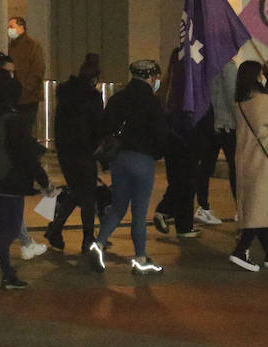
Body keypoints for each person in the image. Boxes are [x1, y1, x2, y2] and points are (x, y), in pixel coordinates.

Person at [0, 69, 51, 290]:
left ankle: (8, 274)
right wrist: (44, 182)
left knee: (3, 230)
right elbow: (26, 155)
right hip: (10, 181)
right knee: (12, 230)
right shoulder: (14, 119)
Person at [88, 59, 168, 276]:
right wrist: (157, 153)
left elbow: (103, 127)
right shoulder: (152, 102)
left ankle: (99, 243)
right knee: (139, 213)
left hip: (119, 159)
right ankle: (140, 259)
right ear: (151, 77)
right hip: (142, 160)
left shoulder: (118, 98)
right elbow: (161, 134)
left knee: (118, 206)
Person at [229, 61, 268, 272]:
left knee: (258, 207)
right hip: (265, 161)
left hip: (245, 160)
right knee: (260, 208)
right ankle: (241, 250)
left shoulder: (239, 103)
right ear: (258, 77)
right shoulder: (266, 101)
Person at [45, 54, 105, 254]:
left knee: (78, 191)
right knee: (86, 194)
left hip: (66, 152)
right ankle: (86, 238)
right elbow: (98, 127)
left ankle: (56, 229)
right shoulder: (93, 97)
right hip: (85, 151)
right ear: (95, 77)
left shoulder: (65, 94)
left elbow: (58, 123)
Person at [154, 47, 203, 239]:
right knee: (187, 182)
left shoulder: (166, 87)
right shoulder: (188, 89)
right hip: (187, 139)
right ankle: (169, 214)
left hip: (170, 141)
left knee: (178, 180)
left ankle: (181, 223)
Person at [196, 60, 238, 225]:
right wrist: (240, 121)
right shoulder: (227, 65)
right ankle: (240, 208)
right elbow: (232, 95)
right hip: (227, 123)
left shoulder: (206, 63)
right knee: (235, 167)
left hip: (209, 122)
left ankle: (203, 206)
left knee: (205, 166)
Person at [7, 17, 45, 125]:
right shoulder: (9, 47)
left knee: (25, 131)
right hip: (13, 99)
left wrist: (26, 90)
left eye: (11, 27)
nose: (9, 30)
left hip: (29, 99)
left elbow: (38, 70)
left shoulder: (33, 46)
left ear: (21, 27)